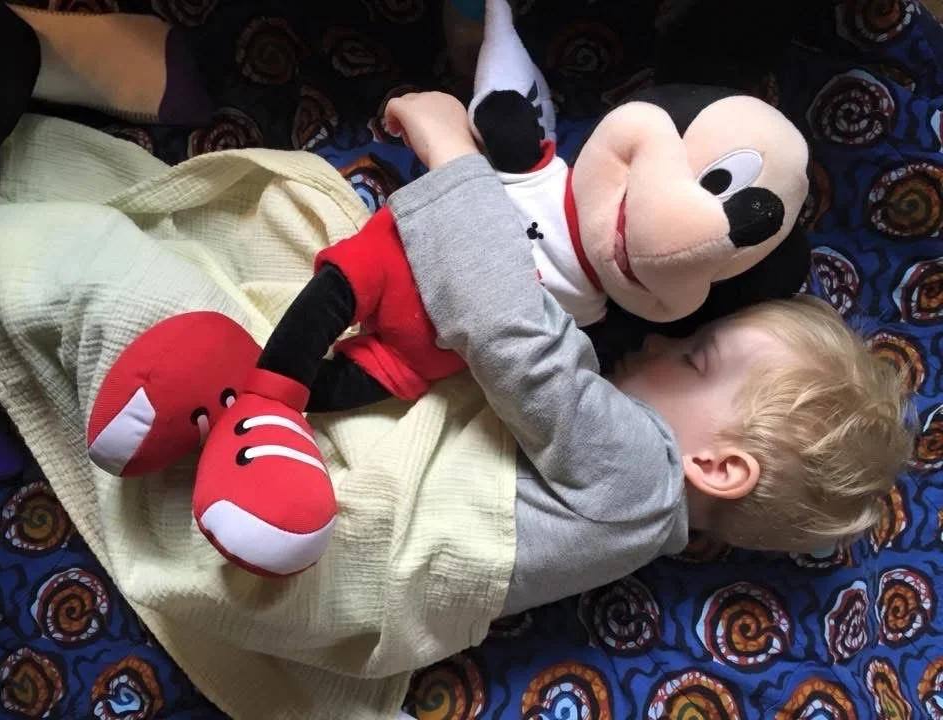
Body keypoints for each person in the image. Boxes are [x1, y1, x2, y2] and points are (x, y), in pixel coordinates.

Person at [383, 92, 915, 613]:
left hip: (367, 530)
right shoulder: (639, 528)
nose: (656, 339)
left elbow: (509, 330)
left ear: (718, 467)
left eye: (694, 358)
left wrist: (451, 156)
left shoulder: (640, 477)